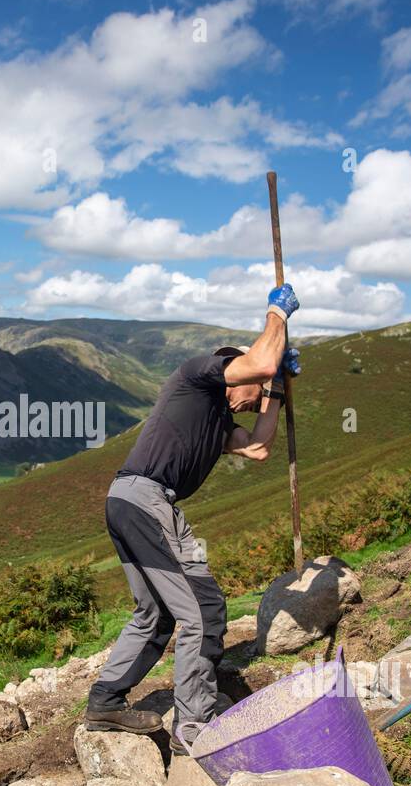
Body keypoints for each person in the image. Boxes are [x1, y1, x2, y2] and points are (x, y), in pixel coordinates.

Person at [84, 283, 303, 752]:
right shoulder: (199, 375)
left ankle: (105, 702)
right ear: (232, 372)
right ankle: (194, 728)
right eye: (255, 386)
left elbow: (261, 447)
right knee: (204, 609)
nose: (255, 393)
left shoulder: (219, 420)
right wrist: (276, 316)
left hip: (126, 499)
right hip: (146, 499)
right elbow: (259, 362)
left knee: (156, 613)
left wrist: (279, 388)